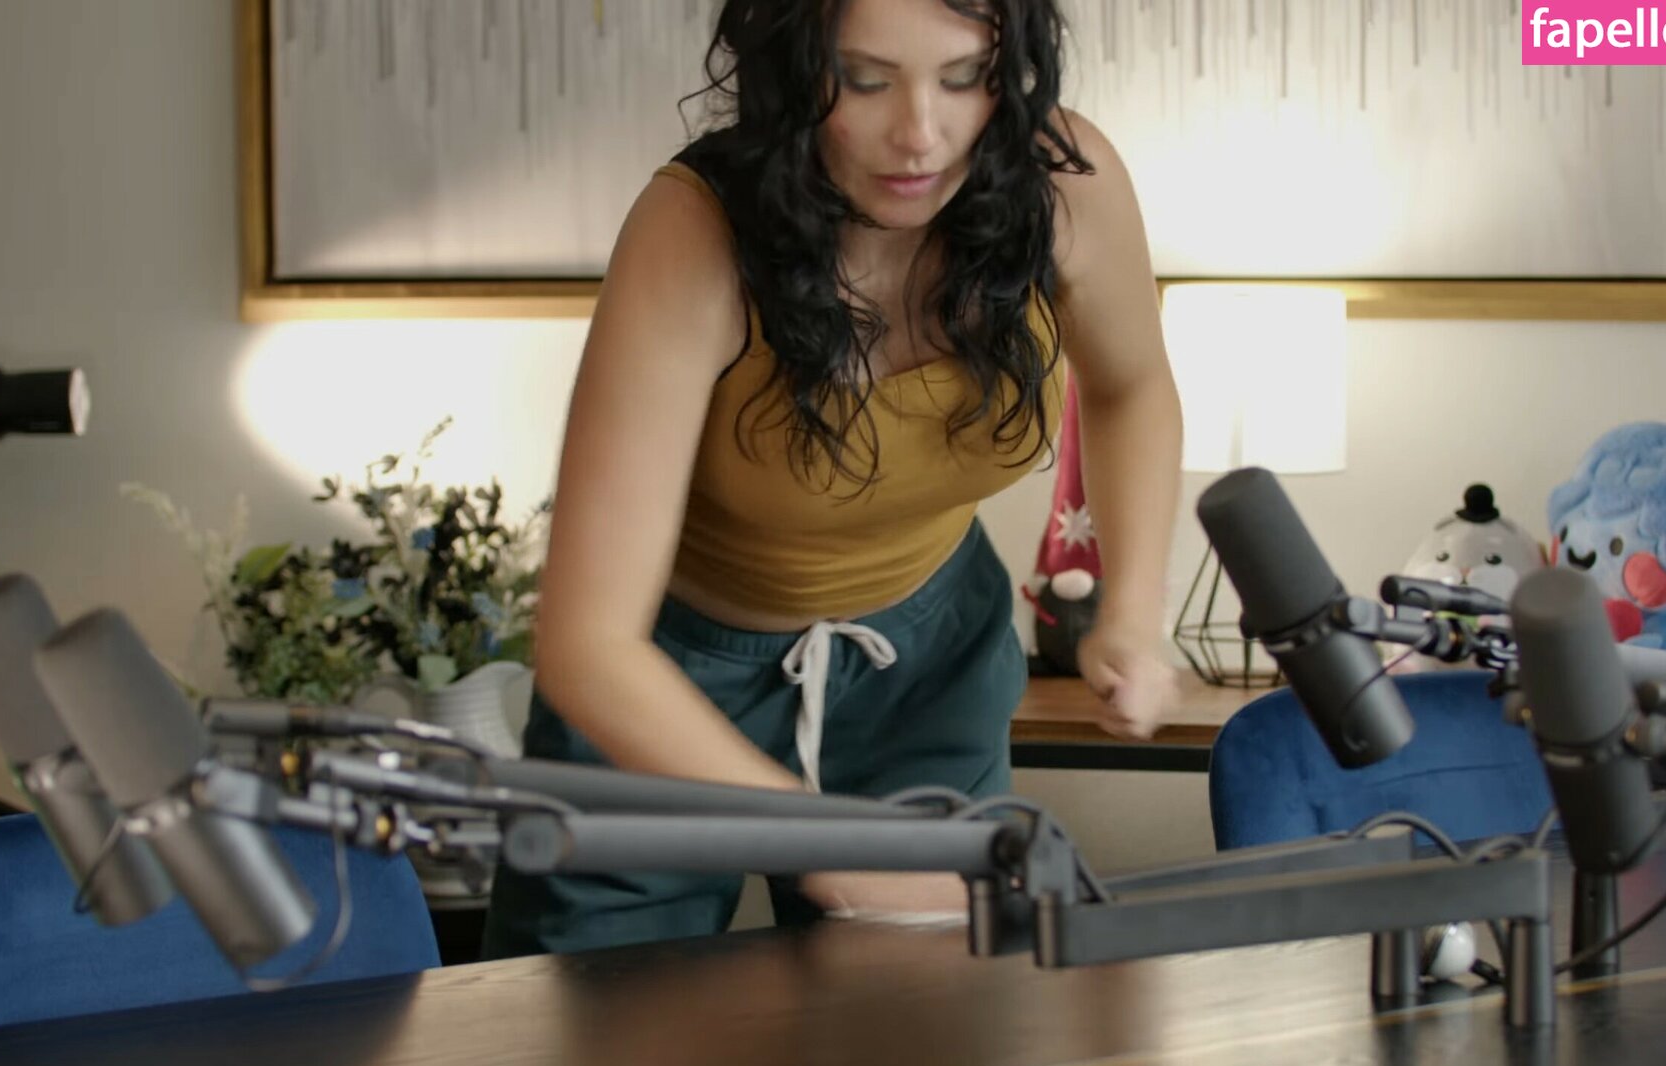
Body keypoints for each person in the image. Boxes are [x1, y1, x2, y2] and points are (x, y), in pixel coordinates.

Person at [480, 0, 1185, 960]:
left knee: (933, 1006)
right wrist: (836, 855)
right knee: (595, 1014)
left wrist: (1132, 614)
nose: (920, 133)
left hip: (929, 662)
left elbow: (1133, 386)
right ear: (790, 68)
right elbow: (587, 648)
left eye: (965, 77)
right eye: (864, 80)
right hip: (663, 682)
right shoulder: (692, 233)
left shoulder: (1064, 183)